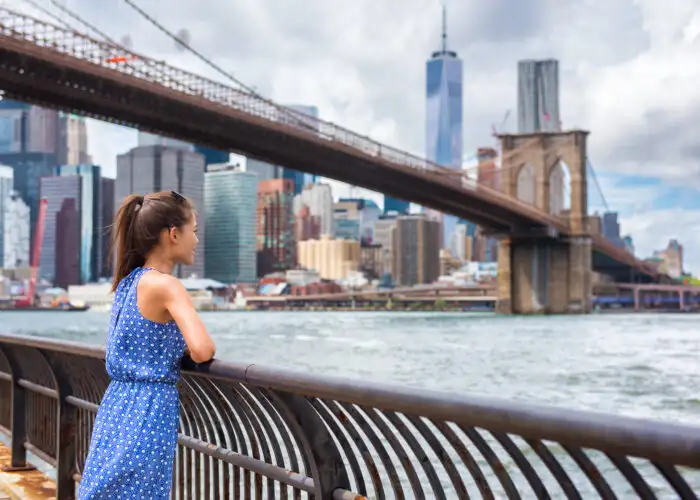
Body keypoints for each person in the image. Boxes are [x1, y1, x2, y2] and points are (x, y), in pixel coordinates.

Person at [78, 191, 216, 499]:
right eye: (193, 231)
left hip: (117, 404)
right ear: (173, 234)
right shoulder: (166, 285)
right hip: (149, 409)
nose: (195, 240)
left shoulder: (128, 282)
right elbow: (202, 349)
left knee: (108, 488)